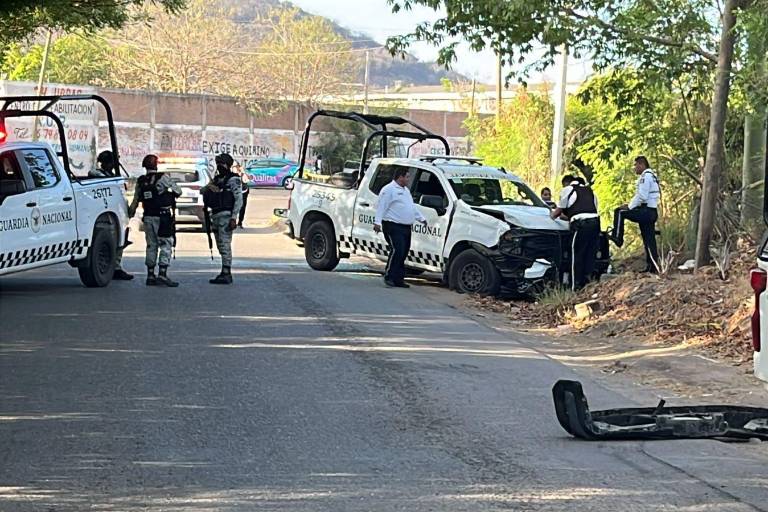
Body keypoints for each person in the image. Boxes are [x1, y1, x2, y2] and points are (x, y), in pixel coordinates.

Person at [128, 154, 182, 287]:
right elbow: (178, 191)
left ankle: (150, 275)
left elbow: (136, 200)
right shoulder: (163, 178)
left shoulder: (141, 181)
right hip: (162, 217)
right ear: (156, 165)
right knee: (165, 243)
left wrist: (130, 214)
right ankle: (162, 274)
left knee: (151, 245)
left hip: (148, 217)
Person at [373, 167, 427, 288]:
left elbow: (411, 207)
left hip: (406, 226)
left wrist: (421, 218)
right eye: (407, 176)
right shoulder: (389, 190)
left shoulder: (405, 191)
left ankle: (399, 279)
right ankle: (389, 276)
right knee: (398, 250)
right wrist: (377, 222)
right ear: (400, 177)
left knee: (404, 252)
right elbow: (381, 206)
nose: (409, 179)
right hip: (392, 225)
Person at [609, 156, 661, 273]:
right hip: (651, 211)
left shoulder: (645, 177)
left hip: (646, 211)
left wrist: (629, 206)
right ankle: (652, 266)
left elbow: (642, 196)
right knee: (649, 239)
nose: (634, 168)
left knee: (620, 212)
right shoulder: (653, 176)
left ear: (642, 164)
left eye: (636, 165)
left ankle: (617, 237)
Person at [551, 175, 600, 290]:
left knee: (577, 255)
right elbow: (589, 209)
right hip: (595, 223)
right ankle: (588, 285)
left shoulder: (567, 189)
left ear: (566, 183)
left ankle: (575, 287)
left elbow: (559, 211)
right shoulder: (590, 191)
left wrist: (551, 215)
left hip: (581, 225)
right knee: (589, 254)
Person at [91, 150, 133, 280]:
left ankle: (116, 267)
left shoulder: (112, 175)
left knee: (120, 240)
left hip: (116, 212)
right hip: (104, 213)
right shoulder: (97, 174)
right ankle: (110, 267)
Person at [201, 153, 243, 284]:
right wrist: (210, 188)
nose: (219, 166)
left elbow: (238, 199)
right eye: (218, 163)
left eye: (222, 163)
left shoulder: (233, 180)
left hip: (226, 216)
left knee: (225, 244)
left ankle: (226, 272)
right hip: (215, 215)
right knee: (220, 245)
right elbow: (203, 190)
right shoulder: (217, 179)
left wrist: (234, 218)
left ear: (228, 165)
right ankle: (224, 271)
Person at [234, 162, 250, 228]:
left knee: (242, 207)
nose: (236, 168)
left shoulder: (243, 174)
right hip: (234, 192)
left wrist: (243, 172)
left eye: (237, 167)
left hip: (243, 192)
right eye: (234, 167)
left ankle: (240, 221)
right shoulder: (232, 173)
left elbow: (247, 180)